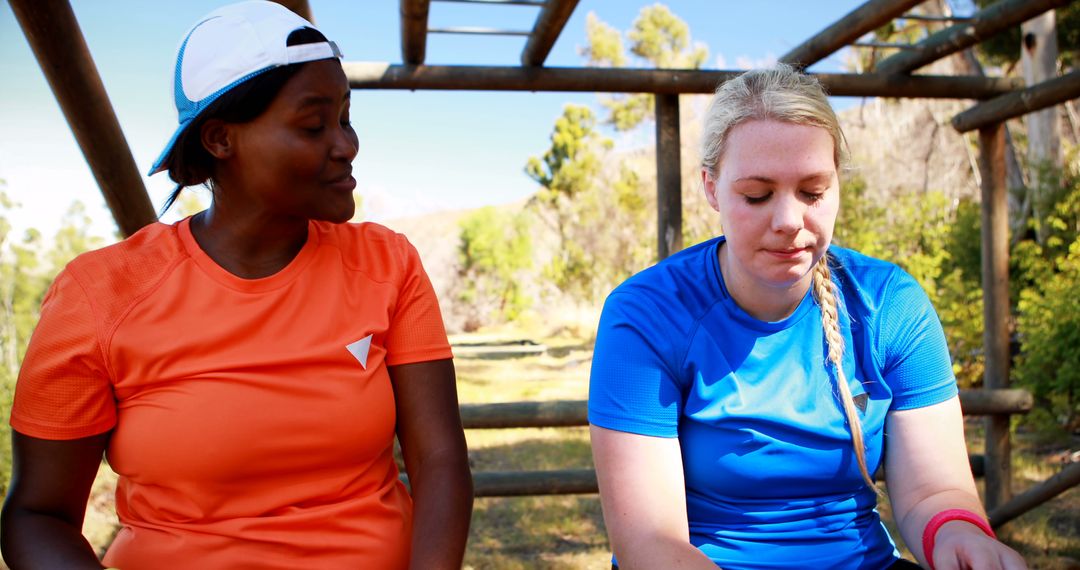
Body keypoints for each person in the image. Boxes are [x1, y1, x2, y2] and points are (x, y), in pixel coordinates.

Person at [1, 2, 472, 568]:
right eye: (313, 125)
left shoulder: (387, 264)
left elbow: (440, 458)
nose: (346, 144)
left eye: (346, 117)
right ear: (221, 140)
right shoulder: (101, 293)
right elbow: (38, 516)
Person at [588, 64, 1026, 570]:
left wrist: (959, 537)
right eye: (757, 195)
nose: (789, 222)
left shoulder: (890, 303)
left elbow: (935, 491)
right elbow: (649, 541)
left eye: (813, 192)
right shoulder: (647, 314)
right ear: (711, 188)